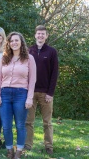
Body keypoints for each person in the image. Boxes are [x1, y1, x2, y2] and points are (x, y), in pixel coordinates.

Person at [0, 32, 36, 159]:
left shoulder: (29, 58)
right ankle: (9, 151)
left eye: (16, 40)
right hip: (5, 94)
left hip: (21, 94)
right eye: (11, 41)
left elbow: (32, 80)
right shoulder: (4, 58)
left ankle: (18, 151)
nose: (14, 43)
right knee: (6, 126)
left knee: (20, 125)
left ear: (21, 42)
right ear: (8, 43)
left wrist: (29, 98)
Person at [25, 25, 59, 155]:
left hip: (46, 93)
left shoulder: (51, 52)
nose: (40, 36)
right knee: (28, 121)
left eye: (43, 34)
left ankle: (49, 146)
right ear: (35, 35)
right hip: (30, 92)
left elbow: (54, 74)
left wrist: (50, 93)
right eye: (38, 33)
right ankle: (28, 145)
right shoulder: (29, 51)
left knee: (47, 122)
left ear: (46, 36)